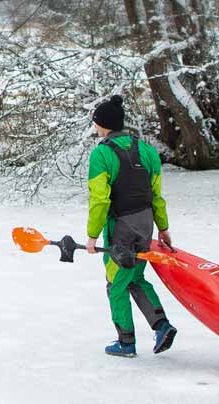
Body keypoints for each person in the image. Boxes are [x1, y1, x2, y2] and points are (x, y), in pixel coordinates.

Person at [84, 95, 178, 357]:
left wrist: (92, 236)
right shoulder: (146, 150)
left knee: (116, 284)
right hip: (145, 223)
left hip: (122, 227)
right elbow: (156, 195)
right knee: (135, 276)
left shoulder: (101, 154)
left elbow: (100, 199)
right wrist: (163, 227)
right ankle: (161, 326)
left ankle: (126, 343)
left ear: (102, 125)